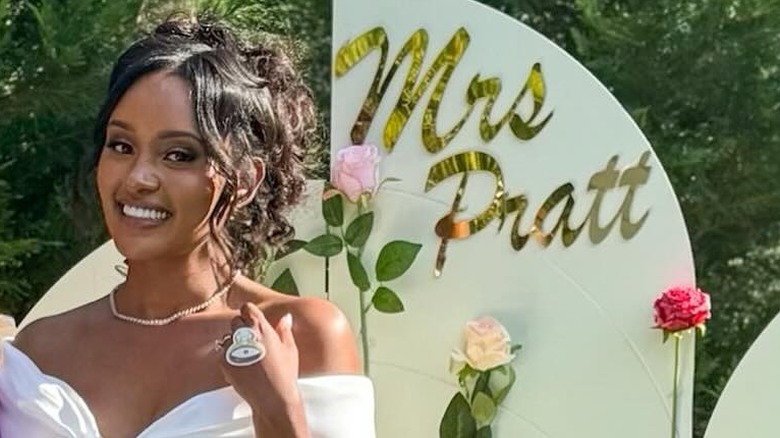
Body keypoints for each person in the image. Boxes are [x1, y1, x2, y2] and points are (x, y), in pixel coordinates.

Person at [0, 13, 374, 438]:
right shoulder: (39, 352)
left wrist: (278, 409)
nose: (138, 178)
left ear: (246, 180)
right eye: (121, 146)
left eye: (179, 155)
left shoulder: (302, 335)